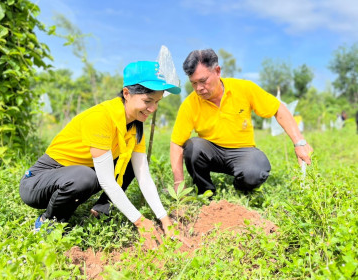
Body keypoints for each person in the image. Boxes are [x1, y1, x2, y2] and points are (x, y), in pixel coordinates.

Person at [20, 61, 188, 249]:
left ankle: (100, 210)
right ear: (126, 93)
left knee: (131, 163)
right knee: (86, 177)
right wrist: (140, 221)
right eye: (147, 101)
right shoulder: (102, 117)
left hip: (75, 174)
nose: (152, 108)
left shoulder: (135, 125)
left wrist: (164, 219)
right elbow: (106, 180)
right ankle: (47, 223)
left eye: (157, 102)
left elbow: (143, 176)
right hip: (38, 182)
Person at [170, 49, 313, 195]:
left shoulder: (244, 88)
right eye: (193, 83)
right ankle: (205, 193)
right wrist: (178, 184)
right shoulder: (190, 104)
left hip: (243, 151)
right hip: (211, 152)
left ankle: (240, 190)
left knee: (255, 170)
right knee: (193, 147)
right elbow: (176, 143)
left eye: (203, 81)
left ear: (217, 71)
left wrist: (299, 143)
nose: (199, 88)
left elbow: (278, 109)